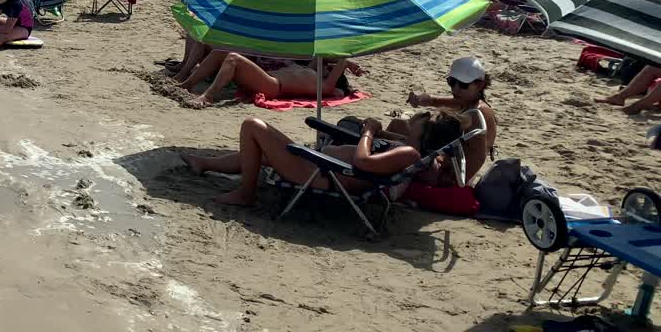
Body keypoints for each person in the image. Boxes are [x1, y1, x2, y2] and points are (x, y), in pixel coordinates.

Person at [179, 113, 463, 206]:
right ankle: (205, 164)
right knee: (262, 154)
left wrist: (368, 132)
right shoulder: (408, 148)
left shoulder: (410, 154)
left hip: (319, 172)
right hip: (321, 167)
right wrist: (379, 131)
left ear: (425, 135)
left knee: (252, 126)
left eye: (424, 122)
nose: (420, 120)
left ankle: (245, 194)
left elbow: (363, 162)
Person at [405, 56, 497, 182]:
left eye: (463, 84)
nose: (455, 89)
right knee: (399, 126)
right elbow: (434, 100)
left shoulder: (478, 113)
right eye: (452, 82)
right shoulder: (467, 100)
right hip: (447, 163)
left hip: (452, 175)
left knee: (410, 131)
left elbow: (475, 159)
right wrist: (419, 99)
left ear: (480, 85)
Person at [178, 50, 364, 109]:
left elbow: (336, 66)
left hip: (273, 86)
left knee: (233, 58)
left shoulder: (324, 86)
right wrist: (347, 63)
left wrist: (345, 62)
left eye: (331, 69)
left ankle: (208, 96)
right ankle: (187, 84)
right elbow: (321, 55)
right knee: (221, 52)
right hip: (266, 78)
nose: (328, 67)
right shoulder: (311, 71)